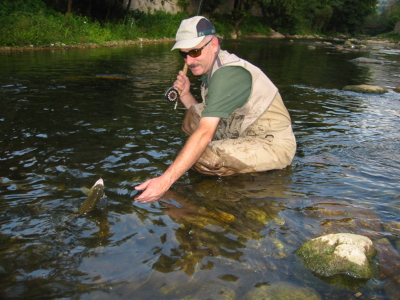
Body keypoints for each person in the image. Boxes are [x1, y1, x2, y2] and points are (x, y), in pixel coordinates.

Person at [135, 16, 296, 203]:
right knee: (192, 116)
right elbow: (202, 120)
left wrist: (165, 180)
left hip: (273, 144)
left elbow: (205, 133)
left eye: (194, 52)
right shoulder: (212, 68)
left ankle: (240, 187)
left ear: (213, 45)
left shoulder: (227, 74)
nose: (188, 61)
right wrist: (186, 94)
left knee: (203, 156)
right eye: (183, 54)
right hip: (244, 131)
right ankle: (232, 164)